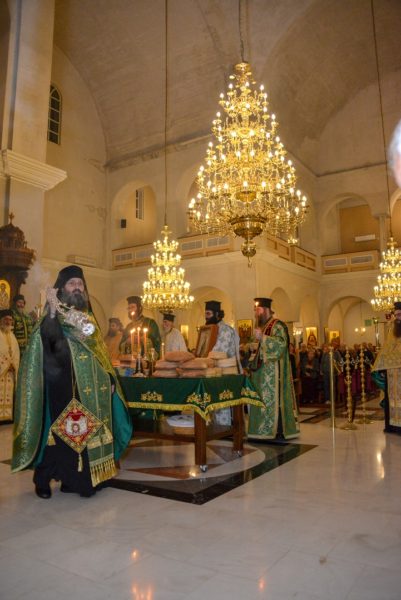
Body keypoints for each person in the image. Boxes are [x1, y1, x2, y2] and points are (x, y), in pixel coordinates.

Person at [11, 265, 133, 499]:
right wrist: (53, 312)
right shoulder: (52, 314)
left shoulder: (88, 318)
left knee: (85, 433)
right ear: (62, 288)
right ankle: (42, 479)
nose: (77, 287)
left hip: (91, 387)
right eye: (72, 283)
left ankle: (74, 479)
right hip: (61, 384)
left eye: (80, 284)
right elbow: (48, 342)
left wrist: (109, 377)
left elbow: (101, 354)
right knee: (58, 433)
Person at [248, 297, 299, 440]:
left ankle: (277, 430)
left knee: (273, 401)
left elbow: (281, 345)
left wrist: (263, 339)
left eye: (258, 310)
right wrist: (251, 346)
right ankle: (259, 430)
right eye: (255, 310)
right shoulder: (262, 326)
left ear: (265, 310)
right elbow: (258, 348)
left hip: (273, 374)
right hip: (260, 373)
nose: (256, 313)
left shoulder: (277, 325)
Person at [372, 301, 401, 431]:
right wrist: (380, 366)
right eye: (396, 315)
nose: (397, 318)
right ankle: (392, 426)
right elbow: (386, 350)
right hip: (391, 374)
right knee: (392, 398)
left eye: (400, 315)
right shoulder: (392, 331)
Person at [0, 310, 20, 423]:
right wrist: (7, 364)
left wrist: (14, 364)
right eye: (6, 319)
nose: (8, 322)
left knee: (9, 394)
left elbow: (16, 353)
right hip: (2, 370)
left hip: (11, 371)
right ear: (1, 320)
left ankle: (7, 418)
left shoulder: (12, 336)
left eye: (10, 320)